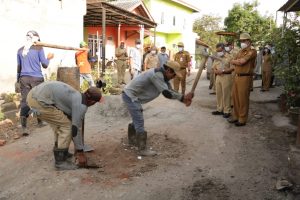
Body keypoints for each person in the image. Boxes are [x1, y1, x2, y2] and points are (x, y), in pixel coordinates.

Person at [122, 61, 194, 156]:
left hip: (133, 96)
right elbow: (166, 93)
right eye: (174, 74)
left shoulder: (163, 76)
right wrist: (183, 98)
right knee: (139, 119)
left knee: (137, 116)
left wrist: (183, 98)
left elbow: (171, 91)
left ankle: (133, 140)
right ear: (168, 70)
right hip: (130, 95)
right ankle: (142, 149)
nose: (174, 77)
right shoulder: (157, 76)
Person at [27, 81, 103, 170]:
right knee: (67, 127)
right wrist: (80, 152)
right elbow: (75, 129)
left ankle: (62, 153)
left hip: (34, 94)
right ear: (91, 101)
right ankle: (60, 162)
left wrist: (79, 146)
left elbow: (71, 118)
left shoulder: (77, 96)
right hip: (39, 101)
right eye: (95, 102)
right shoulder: (81, 106)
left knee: (60, 124)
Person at [17, 30, 54, 136]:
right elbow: (45, 65)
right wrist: (49, 58)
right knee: (39, 99)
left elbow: (19, 67)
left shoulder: (20, 50)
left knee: (25, 101)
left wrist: (17, 80)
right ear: (36, 38)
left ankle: (24, 128)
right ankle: (40, 122)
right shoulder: (39, 48)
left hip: (23, 78)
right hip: (36, 78)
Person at [229, 33, 257, 126]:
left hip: (245, 77)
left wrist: (234, 61)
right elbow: (235, 60)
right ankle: (236, 116)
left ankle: (242, 119)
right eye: (241, 41)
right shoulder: (240, 51)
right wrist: (235, 61)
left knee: (243, 99)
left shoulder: (252, 51)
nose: (242, 42)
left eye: (244, 41)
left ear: (249, 41)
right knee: (235, 97)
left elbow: (242, 62)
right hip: (237, 76)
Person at [211, 43, 234, 118]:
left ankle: (227, 111)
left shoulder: (230, 56)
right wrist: (215, 71)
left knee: (226, 94)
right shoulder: (217, 57)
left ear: (224, 49)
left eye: (220, 50)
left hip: (226, 76)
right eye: (217, 51)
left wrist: (223, 71)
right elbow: (213, 67)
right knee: (219, 93)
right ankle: (219, 109)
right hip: (218, 77)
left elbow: (232, 68)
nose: (218, 52)